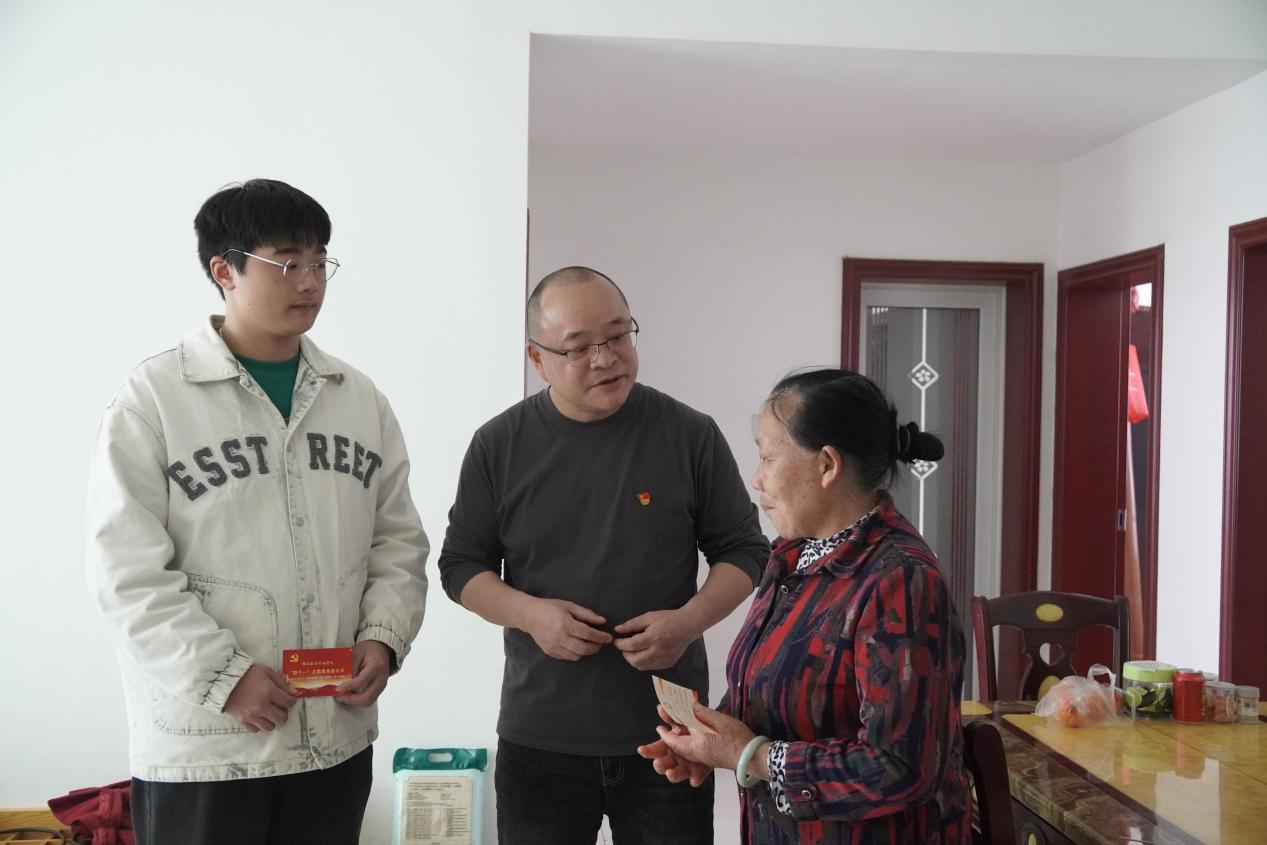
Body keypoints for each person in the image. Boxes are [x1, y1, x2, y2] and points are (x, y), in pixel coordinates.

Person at [85, 179, 429, 845]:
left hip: (332, 738)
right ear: (225, 270)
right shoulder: (154, 399)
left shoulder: (357, 399)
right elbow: (125, 572)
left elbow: (397, 540)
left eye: (319, 262)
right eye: (286, 263)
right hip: (209, 745)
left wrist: (383, 638)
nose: (310, 282)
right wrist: (224, 678)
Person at [437, 266, 769, 844]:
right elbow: (461, 567)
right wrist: (531, 615)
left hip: (671, 735)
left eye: (618, 335)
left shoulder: (689, 434)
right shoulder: (499, 445)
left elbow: (745, 550)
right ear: (537, 359)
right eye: (578, 348)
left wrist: (688, 622)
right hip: (541, 734)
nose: (606, 358)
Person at [640, 368, 972, 844]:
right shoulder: (792, 556)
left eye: (767, 457)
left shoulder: (900, 580)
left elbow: (901, 768)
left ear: (827, 465)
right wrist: (711, 740)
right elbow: (782, 690)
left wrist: (753, 756)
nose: (756, 478)